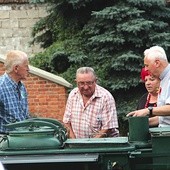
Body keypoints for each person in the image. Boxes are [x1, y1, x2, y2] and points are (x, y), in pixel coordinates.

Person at [63, 67, 119, 138]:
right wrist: (74, 142)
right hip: (78, 144)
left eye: (89, 83)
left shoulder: (106, 97)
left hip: (103, 145)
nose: (86, 87)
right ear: (76, 82)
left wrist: (90, 144)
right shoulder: (73, 95)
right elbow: (67, 122)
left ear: (95, 81)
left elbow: (107, 128)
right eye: (81, 83)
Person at [127, 45, 170, 127]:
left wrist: (148, 110)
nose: (146, 69)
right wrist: (140, 123)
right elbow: (164, 119)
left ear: (157, 63)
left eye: (147, 65)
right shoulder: (163, 79)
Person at [0, 50, 30, 133]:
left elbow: (25, 117)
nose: (28, 69)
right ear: (16, 68)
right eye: (26, 66)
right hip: (5, 141)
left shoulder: (22, 87)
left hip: (22, 138)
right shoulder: (1, 87)